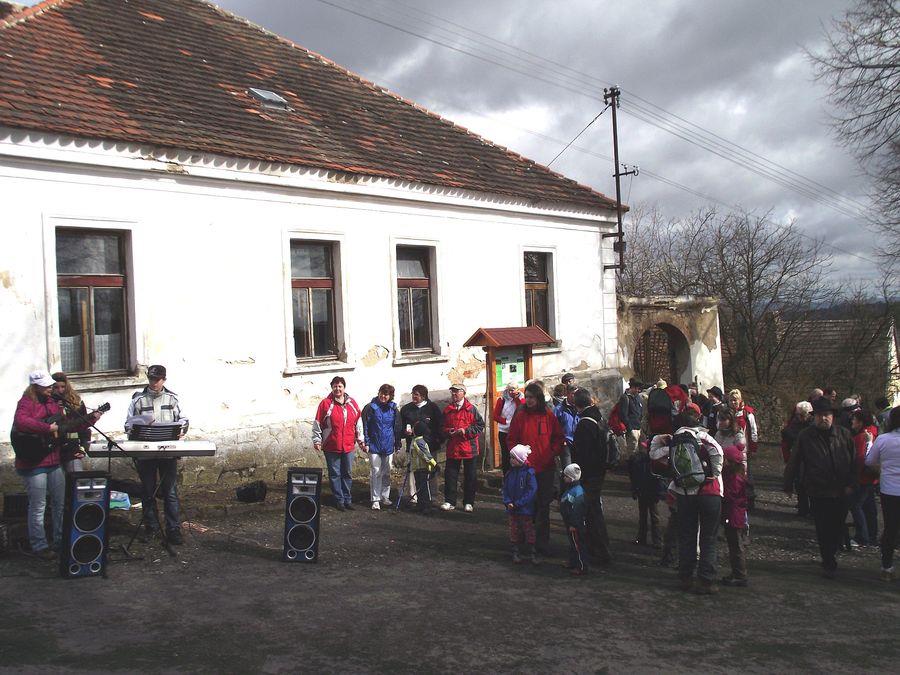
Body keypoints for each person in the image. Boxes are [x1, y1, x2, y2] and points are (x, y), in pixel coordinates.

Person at [13, 371, 101, 558]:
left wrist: (91, 418)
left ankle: (59, 541)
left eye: (50, 385)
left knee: (59, 503)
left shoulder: (53, 403)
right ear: (35, 387)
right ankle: (40, 546)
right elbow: (21, 422)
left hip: (53, 460)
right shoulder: (26, 402)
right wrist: (46, 428)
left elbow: (65, 426)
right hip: (33, 463)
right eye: (46, 386)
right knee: (38, 505)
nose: (50, 388)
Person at [650, 402, 724, 594]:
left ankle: (685, 577)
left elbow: (654, 455)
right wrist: (714, 474)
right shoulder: (702, 437)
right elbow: (718, 451)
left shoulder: (674, 441)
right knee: (708, 537)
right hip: (709, 492)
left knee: (687, 537)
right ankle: (706, 580)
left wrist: (658, 438)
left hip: (684, 493)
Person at [783, 396, 857, 579]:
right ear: (814, 417)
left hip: (841, 488)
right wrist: (788, 483)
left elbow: (854, 461)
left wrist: (851, 483)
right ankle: (828, 560)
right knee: (823, 527)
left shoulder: (844, 434)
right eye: (820, 415)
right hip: (818, 488)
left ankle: (831, 552)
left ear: (832, 416)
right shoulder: (806, 436)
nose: (823, 418)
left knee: (838, 525)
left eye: (827, 415)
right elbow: (794, 460)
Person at [126, 364, 187, 543]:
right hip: (145, 453)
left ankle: (173, 529)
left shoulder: (173, 398)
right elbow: (128, 424)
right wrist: (133, 431)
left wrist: (182, 431)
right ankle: (151, 527)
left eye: (157, 379)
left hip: (168, 453)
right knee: (148, 491)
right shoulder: (138, 399)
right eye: (151, 379)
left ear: (164, 380)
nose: (153, 383)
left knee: (170, 491)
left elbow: (183, 420)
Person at [508, 381, 564, 555]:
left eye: (532, 397)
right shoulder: (520, 416)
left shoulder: (548, 415)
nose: (529, 400)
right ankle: (524, 541)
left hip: (545, 468)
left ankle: (542, 543)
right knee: (525, 507)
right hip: (525, 470)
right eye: (527, 397)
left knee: (543, 507)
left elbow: (558, 438)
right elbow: (511, 439)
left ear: (538, 398)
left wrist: (552, 453)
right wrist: (518, 456)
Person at [571, 388, 612, 564]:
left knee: (592, 514)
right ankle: (597, 548)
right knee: (593, 512)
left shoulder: (585, 424)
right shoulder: (598, 417)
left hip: (589, 475)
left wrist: (579, 475)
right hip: (598, 472)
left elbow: (584, 453)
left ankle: (600, 551)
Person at [312, 376, 365, 511]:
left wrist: (361, 440)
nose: (337, 389)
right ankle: (339, 500)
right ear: (332, 388)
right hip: (331, 445)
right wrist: (317, 440)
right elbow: (318, 422)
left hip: (348, 445)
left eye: (340, 386)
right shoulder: (325, 404)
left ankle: (347, 499)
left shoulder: (352, 403)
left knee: (347, 473)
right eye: (335, 386)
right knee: (335, 474)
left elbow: (358, 423)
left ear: (344, 388)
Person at [865, 406, 900, 581]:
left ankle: (886, 566)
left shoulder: (884, 439)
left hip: (889, 490)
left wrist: (870, 443)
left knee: (890, 528)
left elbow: (870, 461)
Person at [441, 383, 485, 513]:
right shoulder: (447, 410)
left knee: (470, 476)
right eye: (452, 392)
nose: (454, 394)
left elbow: (479, 426)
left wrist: (465, 431)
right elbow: (442, 427)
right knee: (450, 475)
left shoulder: (471, 409)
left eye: (457, 391)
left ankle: (469, 502)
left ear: (463, 393)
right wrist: (448, 431)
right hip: (453, 447)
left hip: (469, 448)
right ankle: (450, 501)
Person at [399, 385, 443, 505]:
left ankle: (432, 496)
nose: (414, 396)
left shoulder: (432, 408)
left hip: (430, 445)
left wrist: (438, 440)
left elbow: (440, 425)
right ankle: (414, 497)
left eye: (417, 395)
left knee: (430, 470)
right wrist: (405, 432)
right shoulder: (406, 409)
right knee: (414, 471)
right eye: (413, 394)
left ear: (423, 396)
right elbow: (401, 426)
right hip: (413, 446)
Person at [361, 384, 402, 510]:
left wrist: (397, 443)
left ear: (390, 396)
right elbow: (365, 426)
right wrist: (366, 442)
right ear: (378, 393)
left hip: (388, 445)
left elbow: (397, 426)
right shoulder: (370, 408)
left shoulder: (393, 409)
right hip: (374, 444)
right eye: (382, 393)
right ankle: (375, 499)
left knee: (386, 472)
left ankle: (385, 496)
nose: (383, 396)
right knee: (376, 471)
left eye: (386, 394)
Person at [502, 444, 538, 564]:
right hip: (513, 508)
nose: (511, 460)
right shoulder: (509, 474)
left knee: (529, 530)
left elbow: (531, 491)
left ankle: (532, 552)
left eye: (514, 458)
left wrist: (518, 503)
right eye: (511, 457)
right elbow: (505, 489)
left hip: (525, 509)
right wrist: (507, 501)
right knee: (514, 530)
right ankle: (515, 551)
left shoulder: (529, 473)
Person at [50, 372, 92, 473]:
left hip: (72, 449)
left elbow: (83, 426)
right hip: (53, 450)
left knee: (76, 477)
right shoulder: (47, 403)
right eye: (56, 387)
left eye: (63, 387)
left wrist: (83, 447)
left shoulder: (76, 402)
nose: (60, 390)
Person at [721, 444, 750, 587]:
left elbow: (730, 496)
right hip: (735, 515)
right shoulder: (736, 475)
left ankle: (740, 574)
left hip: (733, 516)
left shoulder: (734, 478)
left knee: (736, 546)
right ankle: (737, 572)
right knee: (734, 545)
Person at [849, 409, 879, 547]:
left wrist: (853, 476)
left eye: (854, 419)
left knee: (856, 506)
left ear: (860, 422)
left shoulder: (862, 437)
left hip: (862, 478)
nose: (852, 421)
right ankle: (871, 535)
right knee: (869, 507)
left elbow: (861, 458)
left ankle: (862, 536)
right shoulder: (872, 432)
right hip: (871, 477)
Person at [781, 401, 813, 516]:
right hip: (799, 458)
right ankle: (803, 509)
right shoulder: (794, 425)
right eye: (798, 415)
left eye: (802, 415)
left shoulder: (813, 426)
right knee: (800, 484)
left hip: (811, 460)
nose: (800, 417)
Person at [560, 463, 588, 575]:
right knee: (573, 543)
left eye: (566, 476)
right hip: (570, 522)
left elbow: (577, 511)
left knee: (578, 545)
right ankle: (573, 562)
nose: (564, 478)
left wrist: (573, 524)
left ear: (571, 478)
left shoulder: (577, 492)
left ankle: (582, 566)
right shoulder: (573, 489)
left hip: (575, 524)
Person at [494, 382, 524, 474]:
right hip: (504, 431)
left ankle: (518, 475)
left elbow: (522, 411)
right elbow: (495, 416)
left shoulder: (521, 399)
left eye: (513, 390)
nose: (511, 392)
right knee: (506, 454)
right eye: (509, 390)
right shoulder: (502, 399)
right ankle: (506, 475)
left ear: (518, 390)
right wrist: (506, 422)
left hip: (517, 432)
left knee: (517, 454)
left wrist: (516, 399)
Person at [409, 421, 438, 513]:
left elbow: (425, 455)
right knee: (419, 486)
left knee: (425, 487)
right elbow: (413, 455)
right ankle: (420, 504)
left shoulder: (419, 442)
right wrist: (410, 463)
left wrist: (434, 464)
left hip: (423, 468)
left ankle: (427, 505)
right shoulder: (415, 440)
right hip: (417, 468)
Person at [554, 384, 580, 483]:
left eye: (577, 393)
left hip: (578, 442)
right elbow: (554, 426)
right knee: (568, 469)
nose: (575, 396)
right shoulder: (559, 409)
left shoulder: (580, 407)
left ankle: (577, 489)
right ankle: (566, 489)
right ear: (567, 394)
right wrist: (561, 440)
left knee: (578, 469)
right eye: (573, 393)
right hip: (566, 443)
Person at [615, 378, 643, 461]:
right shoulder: (625, 398)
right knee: (632, 452)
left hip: (639, 427)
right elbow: (623, 415)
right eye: (636, 388)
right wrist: (629, 428)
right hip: (632, 429)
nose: (638, 390)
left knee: (641, 451)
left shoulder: (638, 398)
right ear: (632, 387)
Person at [728, 389, 759, 456]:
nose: (733, 402)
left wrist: (753, 446)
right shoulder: (726, 413)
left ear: (740, 400)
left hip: (743, 446)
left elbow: (753, 430)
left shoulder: (747, 413)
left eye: (735, 400)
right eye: (731, 400)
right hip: (729, 445)